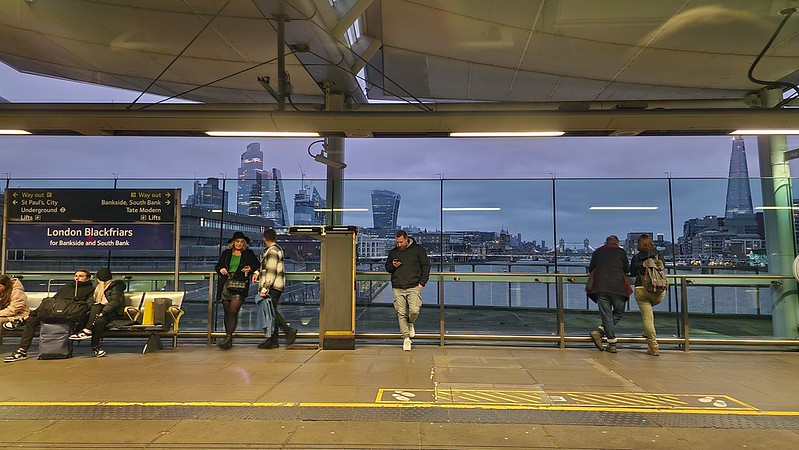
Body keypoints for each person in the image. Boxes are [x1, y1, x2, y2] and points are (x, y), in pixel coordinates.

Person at [4, 269, 95, 362]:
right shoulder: (66, 287)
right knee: (34, 319)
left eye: (81, 276)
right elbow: (53, 300)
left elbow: (88, 305)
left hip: (70, 313)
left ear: (87, 278)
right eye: (76, 276)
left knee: (37, 314)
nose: (77, 278)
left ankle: (23, 319)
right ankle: (22, 350)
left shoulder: (90, 290)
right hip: (57, 311)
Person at [385, 230, 430, 351]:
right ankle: (405, 338)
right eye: (397, 242)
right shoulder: (393, 252)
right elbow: (388, 268)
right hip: (398, 286)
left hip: (413, 286)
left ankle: (410, 323)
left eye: (400, 242)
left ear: (406, 239)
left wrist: (422, 284)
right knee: (401, 313)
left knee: (414, 310)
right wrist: (393, 266)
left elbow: (426, 266)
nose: (399, 245)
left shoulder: (418, 250)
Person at [252, 228, 297, 349]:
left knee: (271, 312)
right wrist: (257, 272)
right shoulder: (274, 250)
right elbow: (265, 267)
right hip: (275, 286)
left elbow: (271, 272)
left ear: (264, 238)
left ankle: (288, 331)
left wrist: (264, 289)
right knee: (270, 313)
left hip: (272, 287)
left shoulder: (272, 251)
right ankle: (273, 339)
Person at [215, 231, 259, 350]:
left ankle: (228, 337)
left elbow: (257, 265)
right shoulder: (226, 253)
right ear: (233, 242)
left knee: (234, 311)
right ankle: (228, 338)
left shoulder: (248, 253)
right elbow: (217, 266)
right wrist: (222, 269)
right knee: (227, 311)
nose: (239, 244)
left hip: (240, 284)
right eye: (237, 241)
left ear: (244, 243)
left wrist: (250, 269)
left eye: (241, 242)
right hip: (226, 283)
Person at [587, 235, 630, 353]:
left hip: (601, 287)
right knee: (619, 313)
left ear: (605, 242)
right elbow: (627, 269)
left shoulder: (597, 252)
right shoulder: (621, 252)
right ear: (616, 243)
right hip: (618, 288)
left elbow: (591, 269)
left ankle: (603, 335)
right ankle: (609, 341)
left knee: (607, 316)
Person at [69, 268, 126, 357]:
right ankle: (96, 348)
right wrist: (95, 309)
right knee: (99, 320)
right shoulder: (98, 288)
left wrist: (103, 312)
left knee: (98, 311)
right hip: (98, 314)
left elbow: (115, 302)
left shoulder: (116, 287)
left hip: (113, 313)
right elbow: (90, 301)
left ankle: (87, 331)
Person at [629, 234, 663, 356]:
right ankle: (647, 331)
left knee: (648, 318)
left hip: (642, 289)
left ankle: (653, 346)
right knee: (649, 314)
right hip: (658, 291)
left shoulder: (637, 257)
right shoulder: (658, 255)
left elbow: (632, 273)